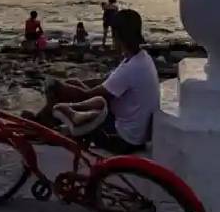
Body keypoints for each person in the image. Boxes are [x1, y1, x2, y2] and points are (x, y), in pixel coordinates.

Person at [32, 9, 159, 154]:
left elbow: (87, 96)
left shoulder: (131, 68)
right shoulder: (142, 58)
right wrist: (75, 84)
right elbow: (106, 82)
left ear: (116, 35)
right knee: (73, 86)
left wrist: (62, 88)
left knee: (60, 94)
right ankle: (42, 124)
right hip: (134, 133)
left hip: (123, 139)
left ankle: (39, 128)